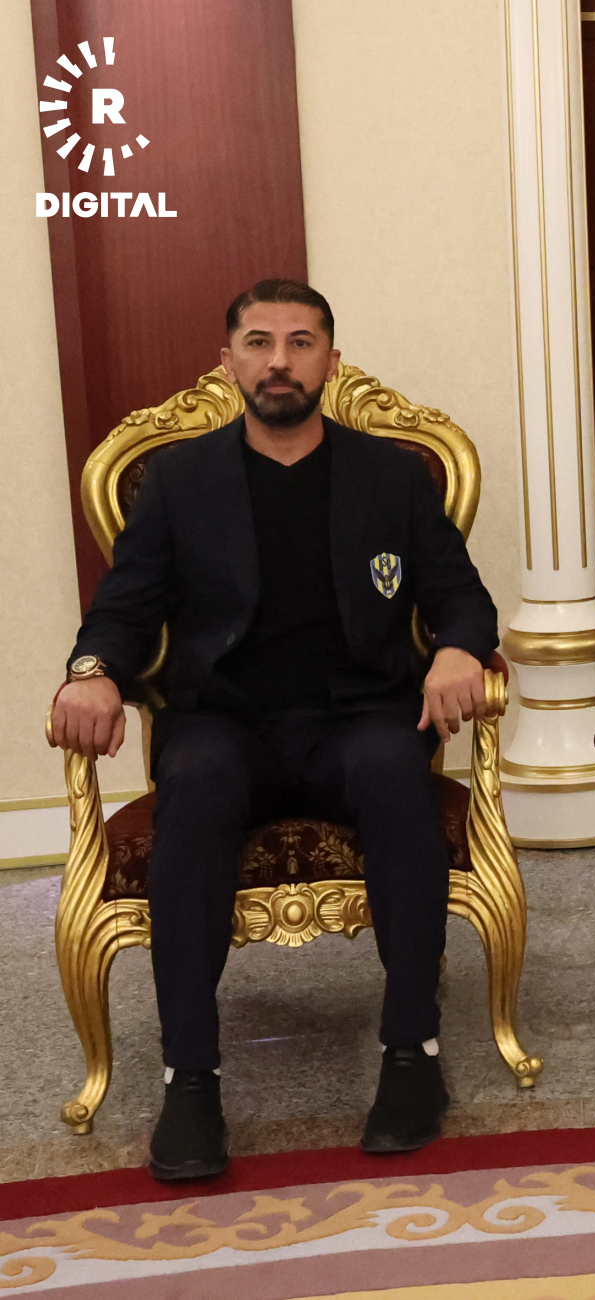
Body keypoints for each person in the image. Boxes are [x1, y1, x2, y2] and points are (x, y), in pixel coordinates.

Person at [48, 279, 499, 1181]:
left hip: (359, 716)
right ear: (229, 363)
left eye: (300, 342)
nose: (279, 361)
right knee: (195, 787)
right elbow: (125, 607)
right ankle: (190, 1079)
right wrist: (91, 671)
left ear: (330, 360)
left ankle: (412, 1053)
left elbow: (462, 596)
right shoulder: (179, 481)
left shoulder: (390, 475)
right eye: (259, 342)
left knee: (396, 776)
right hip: (227, 721)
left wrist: (457, 649)